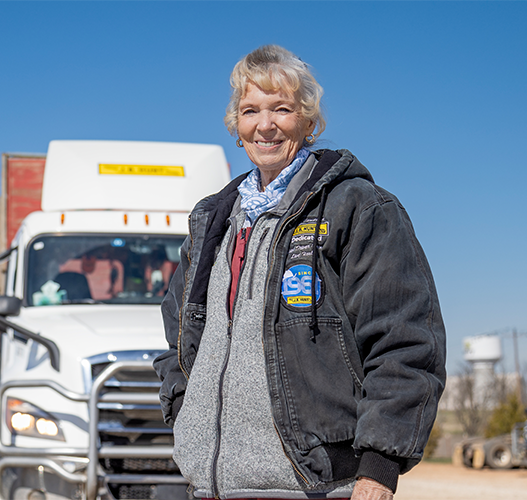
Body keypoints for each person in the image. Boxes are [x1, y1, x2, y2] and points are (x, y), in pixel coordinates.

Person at [153, 45, 446, 500]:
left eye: (282, 109)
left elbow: (404, 341)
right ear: (236, 127)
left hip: (317, 486)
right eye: (250, 110)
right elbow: (177, 334)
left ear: (309, 123)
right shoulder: (211, 222)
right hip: (211, 488)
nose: (265, 125)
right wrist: (184, 410)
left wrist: (379, 469)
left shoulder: (359, 208)